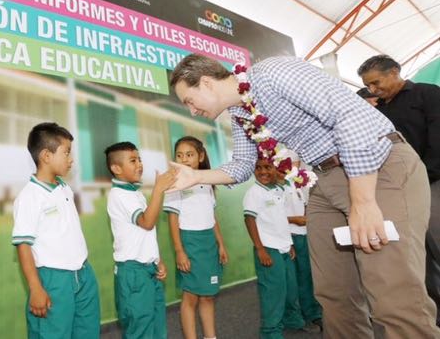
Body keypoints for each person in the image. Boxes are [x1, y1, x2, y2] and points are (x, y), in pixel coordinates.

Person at [170, 53, 439, 338]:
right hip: (325, 178)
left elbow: (349, 117)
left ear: (208, 83)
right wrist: (197, 176)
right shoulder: (240, 113)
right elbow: (241, 166)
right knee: (334, 297)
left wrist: (363, 202)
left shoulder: (273, 71)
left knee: (393, 295)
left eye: (189, 100)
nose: (191, 111)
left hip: (377, 166)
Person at [359, 54, 440, 326]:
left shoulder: (427, 94)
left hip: (432, 182)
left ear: (395, 72)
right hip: (395, 190)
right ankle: (430, 315)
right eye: (368, 86)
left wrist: (422, 175)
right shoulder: (376, 110)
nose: (373, 89)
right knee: (414, 254)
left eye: (376, 82)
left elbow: (438, 138)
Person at [12, 122, 100, 338]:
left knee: (87, 331)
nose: (71, 159)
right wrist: (36, 288)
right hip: (53, 280)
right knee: (54, 333)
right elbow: (23, 245)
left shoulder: (64, 187)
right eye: (66, 152)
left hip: (83, 274)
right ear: (46, 156)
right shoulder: (29, 197)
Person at [104, 141, 176, 339]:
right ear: (116, 168)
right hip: (133, 274)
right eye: (133, 160)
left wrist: (156, 259)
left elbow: (144, 235)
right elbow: (147, 222)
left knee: (156, 327)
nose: (139, 164)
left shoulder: (134, 193)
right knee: (141, 330)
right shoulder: (119, 195)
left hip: (148, 270)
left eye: (140, 159)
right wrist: (158, 190)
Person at [163, 136, 228, 339]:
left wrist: (221, 244)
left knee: (208, 296)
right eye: (179, 155)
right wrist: (180, 251)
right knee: (190, 297)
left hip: (208, 243)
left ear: (200, 156)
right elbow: (173, 219)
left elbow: (212, 216)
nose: (184, 159)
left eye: (189, 155)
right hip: (189, 244)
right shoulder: (175, 184)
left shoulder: (207, 181)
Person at [243, 155, 305, 338]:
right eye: (258, 167)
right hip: (268, 248)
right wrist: (260, 249)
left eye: (268, 167)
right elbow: (249, 219)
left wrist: (289, 243)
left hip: (284, 246)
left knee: (290, 289)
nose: (263, 171)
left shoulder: (277, 190)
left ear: (275, 169)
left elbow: (279, 219)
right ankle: (270, 332)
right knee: (273, 293)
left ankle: (292, 321)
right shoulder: (254, 193)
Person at [276, 150, 322, 331]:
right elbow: (271, 216)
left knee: (306, 278)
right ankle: (294, 320)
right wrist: (294, 220)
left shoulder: (296, 186)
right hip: (288, 237)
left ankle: (311, 314)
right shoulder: (275, 189)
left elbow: (303, 210)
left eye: (294, 163)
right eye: (287, 163)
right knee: (291, 282)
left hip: (302, 235)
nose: (291, 167)